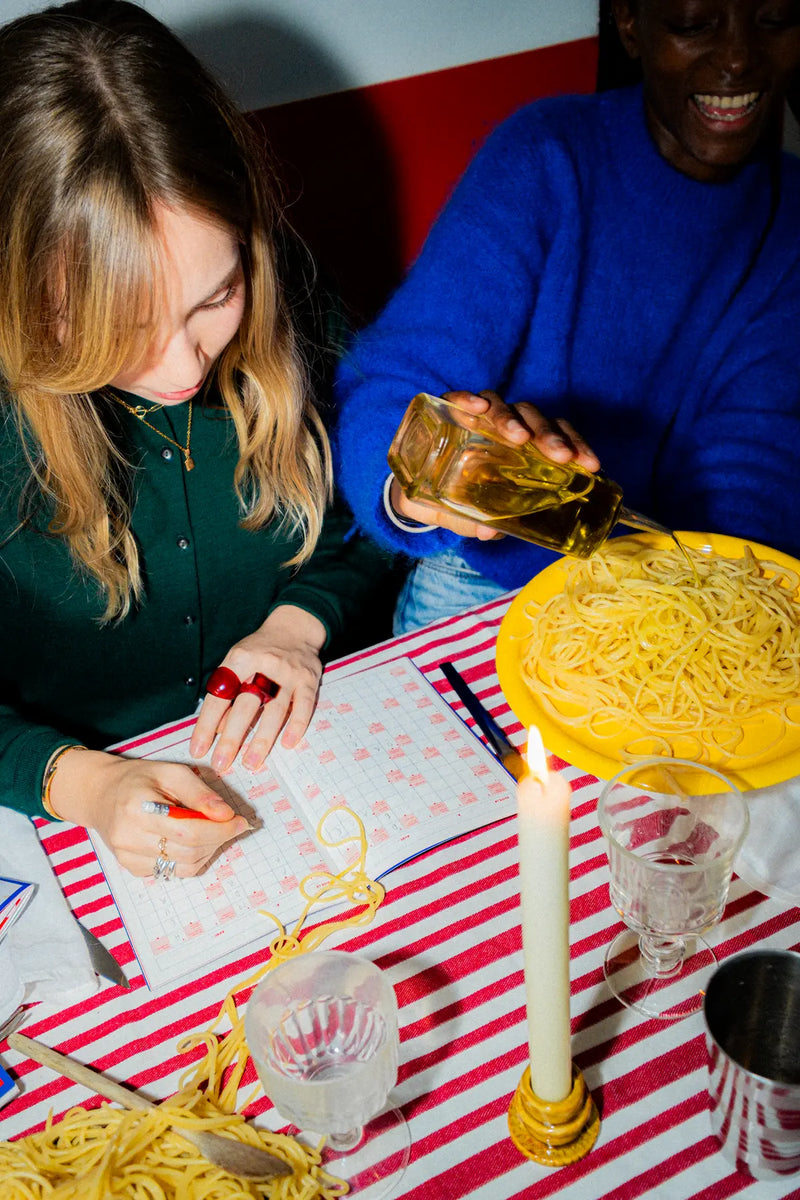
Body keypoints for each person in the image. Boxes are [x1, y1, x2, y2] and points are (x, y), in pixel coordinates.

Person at [0, 0, 388, 878]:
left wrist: (298, 624)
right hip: (60, 826)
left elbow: (380, 508)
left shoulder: (289, 294)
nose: (183, 367)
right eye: (120, 324)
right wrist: (81, 784)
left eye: (215, 297)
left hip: (322, 772)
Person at [334, 0, 800, 634]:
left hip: (669, 585)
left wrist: (714, 608)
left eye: (775, 18)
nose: (741, 56)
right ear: (632, 25)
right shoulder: (546, 154)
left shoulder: (790, 217)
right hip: (485, 580)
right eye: (694, 23)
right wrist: (420, 484)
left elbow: (754, 453)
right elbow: (391, 384)